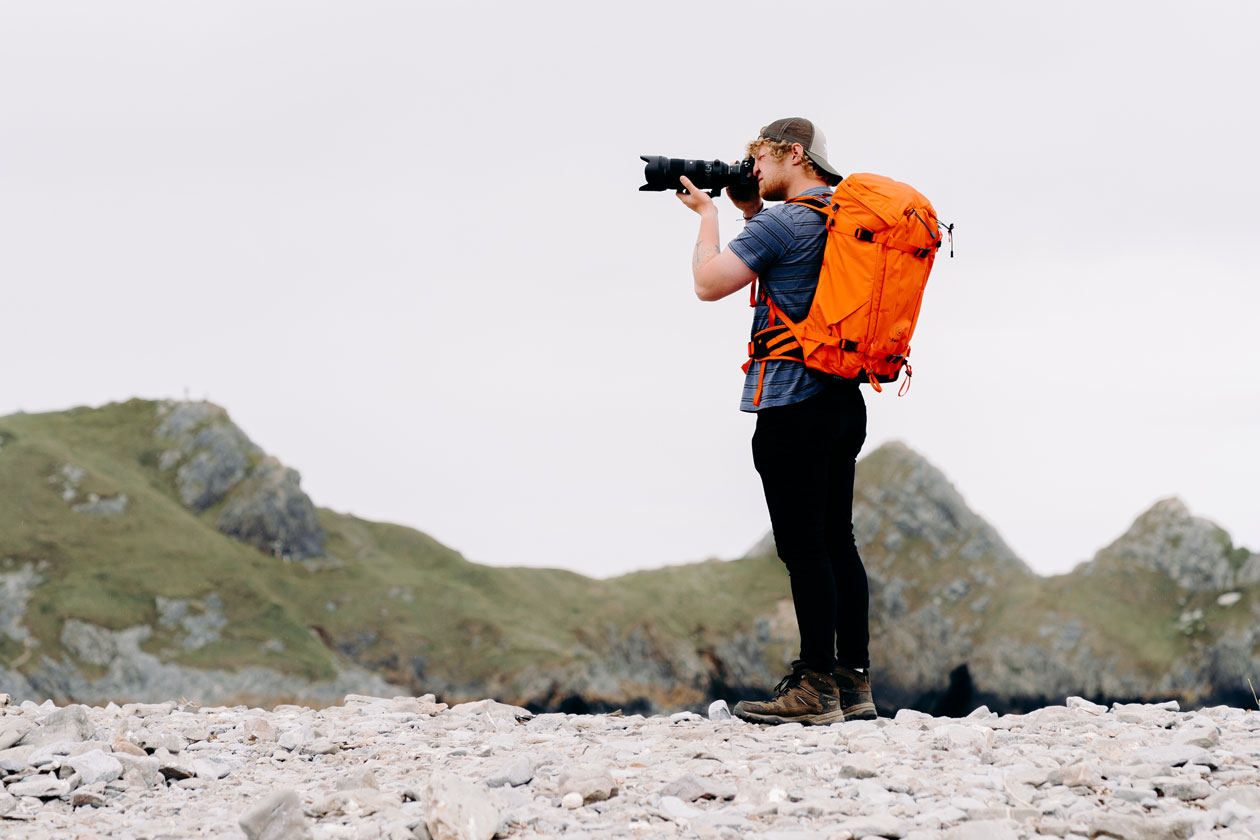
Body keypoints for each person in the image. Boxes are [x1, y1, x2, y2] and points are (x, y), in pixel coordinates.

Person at [676, 117, 876, 725]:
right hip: (844, 401)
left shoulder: (783, 221)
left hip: (792, 402)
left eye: (758, 157)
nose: (753, 168)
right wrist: (748, 213)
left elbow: (710, 284)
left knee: (803, 546)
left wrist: (709, 217)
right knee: (838, 541)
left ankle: (813, 687)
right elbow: (795, 278)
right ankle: (852, 681)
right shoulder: (839, 218)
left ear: (793, 153)